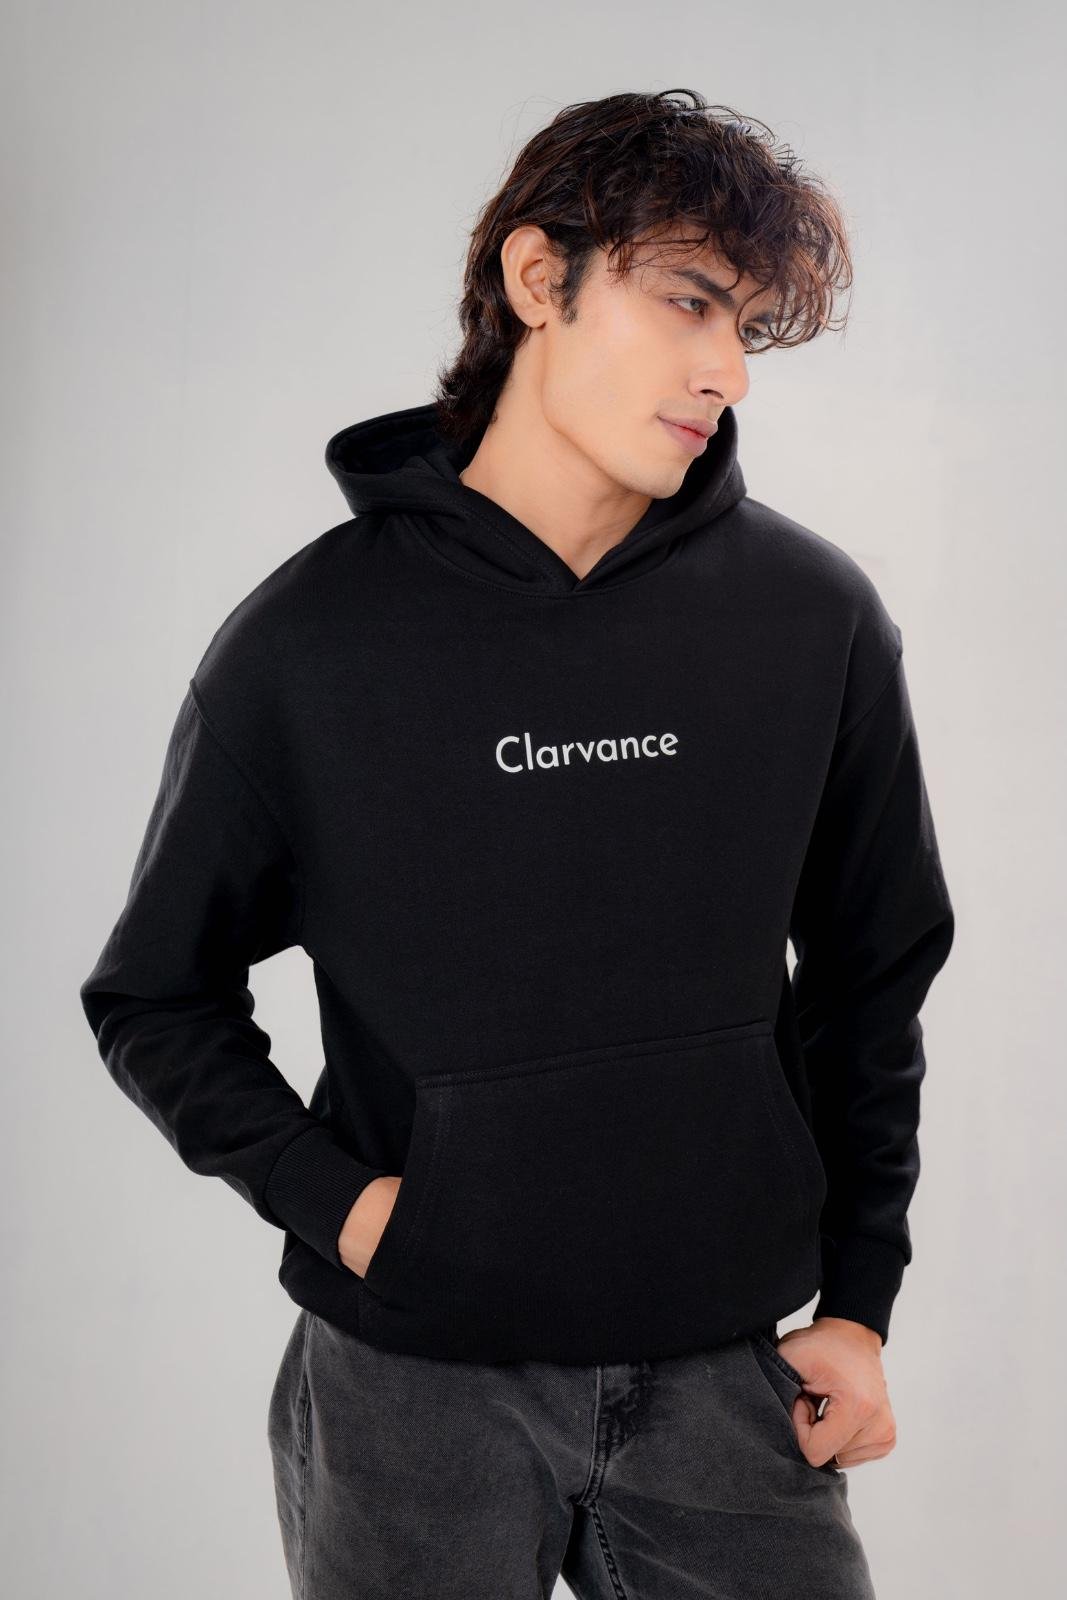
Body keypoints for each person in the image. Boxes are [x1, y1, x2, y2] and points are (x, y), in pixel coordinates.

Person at [79, 88, 955, 1598]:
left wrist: (862, 1303)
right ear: (540, 278)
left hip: (726, 1380)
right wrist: (349, 1209)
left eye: (748, 326)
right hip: (411, 1396)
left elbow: (877, 975)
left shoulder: (812, 620)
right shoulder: (309, 646)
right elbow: (156, 995)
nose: (729, 369)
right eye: (690, 301)